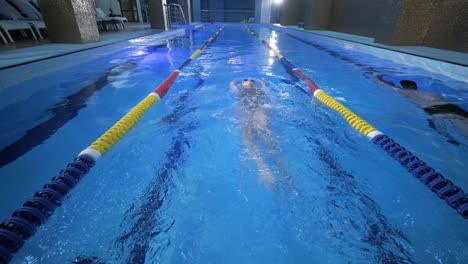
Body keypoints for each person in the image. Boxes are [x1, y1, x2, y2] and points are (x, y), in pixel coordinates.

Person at [373, 73, 468, 146]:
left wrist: (376, 76)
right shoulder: (432, 94)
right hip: (452, 106)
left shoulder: (403, 92)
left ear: (404, 87)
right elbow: (450, 103)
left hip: (434, 110)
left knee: (441, 131)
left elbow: (384, 85)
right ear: (415, 87)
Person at [230, 78, 291, 188]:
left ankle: (278, 167)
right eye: (246, 79)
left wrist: (240, 80)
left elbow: (232, 84)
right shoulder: (243, 90)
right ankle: (264, 168)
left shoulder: (255, 89)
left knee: (265, 132)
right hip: (248, 109)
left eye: (250, 79)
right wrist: (258, 80)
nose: (248, 80)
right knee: (251, 134)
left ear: (254, 84)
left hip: (256, 109)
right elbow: (232, 84)